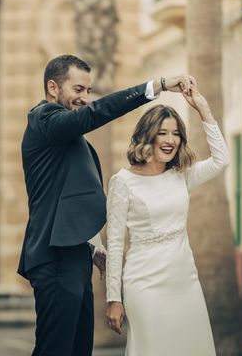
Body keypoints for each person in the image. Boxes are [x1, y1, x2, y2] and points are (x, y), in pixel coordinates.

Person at [18, 54, 194, 356]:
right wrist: (158, 85)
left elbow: (70, 198)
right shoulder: (43, 120)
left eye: (88, 91)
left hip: (73, 255)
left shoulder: (71, 140)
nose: (85, 98)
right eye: (78, 90)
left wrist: (92, 246)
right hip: (54, 258)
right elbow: (96, 114)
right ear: (52, 88)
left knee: (77, 350)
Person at [105, 87, 229, 356]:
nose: (170, 140)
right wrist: (113, 298)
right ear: (146, 136)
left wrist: (203, 110)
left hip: (185, 282)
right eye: (162, 132)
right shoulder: (123, 182)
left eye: (175, 134)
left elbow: (222, 161)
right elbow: (114, 244)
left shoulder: (181, 176)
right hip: (144, 285)